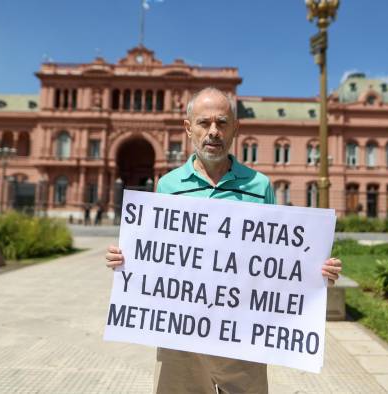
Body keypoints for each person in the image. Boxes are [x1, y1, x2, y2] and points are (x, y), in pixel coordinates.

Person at [104, 87, 343, 394]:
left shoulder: (260, 186)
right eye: (204, 123)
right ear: (189, 128)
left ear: (235, 129)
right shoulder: (167, 186)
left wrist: (315, 272)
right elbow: (155, 254)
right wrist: (125, 261)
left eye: (222, 123)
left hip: (242, 335)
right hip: (181, 336)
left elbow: (278, 258)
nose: (213, 132)